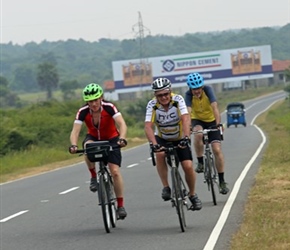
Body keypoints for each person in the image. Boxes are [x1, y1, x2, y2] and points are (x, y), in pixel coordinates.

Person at [69, 83, 128, 219]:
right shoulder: (83, 111)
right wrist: (73, 145)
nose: (94, 103)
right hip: (94, 138)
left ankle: (120, 205)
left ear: (101, 97)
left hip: (112, 138)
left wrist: (122, 138)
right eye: (90, 101)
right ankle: (93, 176)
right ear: (87, 101)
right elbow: (75, 131)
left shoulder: (109, 107)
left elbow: (122, 124)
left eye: (96, 100)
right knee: (87, 147)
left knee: (115, 172)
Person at [144, 78, 202, 211]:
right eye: (160, 95)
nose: (163, 97)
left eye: (166, 94)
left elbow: (186, 118)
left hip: (179, 136)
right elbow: (148, 126)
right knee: (159, 153)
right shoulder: (151, 105)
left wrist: (186, 137)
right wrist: (153, 143)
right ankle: (166, 187)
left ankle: (192, 195)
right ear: (155, 95)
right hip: (162, 137)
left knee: (187, 166)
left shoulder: (178, 100)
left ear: (170, 91)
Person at [184, 73, 229, 195]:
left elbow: (215, 107)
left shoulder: (208, 90)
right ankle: (200, 162)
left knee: (216, 149)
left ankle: (221, 181)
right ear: (190, 88)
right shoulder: (188, 95)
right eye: (194, 89)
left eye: (199, 88)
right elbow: (188, 111)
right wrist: (188, 127)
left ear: (202, 86)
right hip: (197, 120)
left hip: (212, 120)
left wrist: (218, 124)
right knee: (198, 134)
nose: (197, 91)